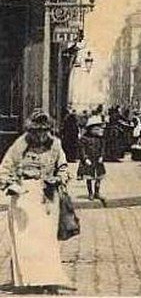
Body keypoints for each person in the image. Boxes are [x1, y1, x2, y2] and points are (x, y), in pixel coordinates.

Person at [0, 110, 71, 292]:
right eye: (36, 131)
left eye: (44, 131)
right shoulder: (20, 144)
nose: (40, 135)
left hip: (47, 196)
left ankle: (47, 278)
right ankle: (26, 280)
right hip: (23, 197)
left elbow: (63, 167)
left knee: (45, 239)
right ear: (30, 130)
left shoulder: (56, 145)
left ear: (49, 130)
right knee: (25, 241)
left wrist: (59, 178)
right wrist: (10, 184)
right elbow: (5, 167)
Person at [77, 115, 106, 203]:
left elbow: (102, 148)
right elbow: (82, 150)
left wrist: (101, 156)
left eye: (99, 129)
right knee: (89, 177)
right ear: (90, 129)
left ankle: (97, 192)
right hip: (89, 160)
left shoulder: (100, 139)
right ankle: (90, 193)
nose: (99, 131)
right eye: (96, 129)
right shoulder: (84, 139)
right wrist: (85, 158)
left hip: (97, 160)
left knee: (98, 177)